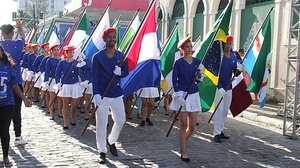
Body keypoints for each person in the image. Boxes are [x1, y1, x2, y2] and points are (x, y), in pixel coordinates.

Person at [91, 27, 128, 164]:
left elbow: (126, 71)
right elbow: (94, 76)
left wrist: (120, 73)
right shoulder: (98, 57)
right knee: (101, 124)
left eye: (114, 37)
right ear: (105, 39)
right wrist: (96, 94)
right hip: (102, 95)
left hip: (116, 93)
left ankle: (111, 140)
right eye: (109, 37)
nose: (112, 39)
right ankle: (102, 151)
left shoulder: (121, 56)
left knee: (121, 120)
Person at [169, 36, 203, 162]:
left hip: (193, 95)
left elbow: (199, 80)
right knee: (183, 125)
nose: (189, 49)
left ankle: (183, 141)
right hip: (182, 95)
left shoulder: (197, 62)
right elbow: (174, 79)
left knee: (192, 126)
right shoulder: (178, 63)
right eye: (187, 47)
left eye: (191, 47)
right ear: (182, 49)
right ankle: (184, 151)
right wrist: (178, 95)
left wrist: (199, 75)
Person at [0, 45, 32, 167]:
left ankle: (6, 157)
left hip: (7, 104)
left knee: (4, 130)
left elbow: (14, 85)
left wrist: (24, 98)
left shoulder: (9, 67)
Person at [0, 20, 28, 146]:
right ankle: (18, 136)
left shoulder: (0, 45)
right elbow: (23, 37)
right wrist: (20, 28)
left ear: (2, 33)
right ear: (12, 33)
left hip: (2, 81)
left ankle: (3, 137)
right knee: (17, 111)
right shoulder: (18, 44)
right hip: (16, 80)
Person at [213, 36, 243, 143]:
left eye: (230, 43)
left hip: (229, 87)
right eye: (226, 43)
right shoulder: (219, 58)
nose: (228, 45)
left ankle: (220, 130)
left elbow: (235, 71)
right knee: (219, 110)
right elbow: (214, 75)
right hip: (219, 88)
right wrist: (219, 87)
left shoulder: (233, 57)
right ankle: (216, 133)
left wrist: (238, 70)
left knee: (225, 110)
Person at [55, 45, 82, 129]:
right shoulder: (62, 62)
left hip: (74, 85)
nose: (72, 54)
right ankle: (65, 122)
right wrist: (58, 83)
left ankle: (72, 117)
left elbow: (82, 71)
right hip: (66, 84)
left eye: (73, 52)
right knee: (65, 104)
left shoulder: (76, 62)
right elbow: (58, 73)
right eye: (70, 52)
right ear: (66, 53)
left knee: (74, 105)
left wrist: (81, 63)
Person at [43, 43, 62, 120]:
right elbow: (47, 72)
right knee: (52, 97)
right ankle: (51, 113)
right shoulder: (49, 60)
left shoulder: (62, 60)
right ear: (52, 51)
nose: (57, 51)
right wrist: (46, 82)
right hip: (52, 80)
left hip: (60, 81)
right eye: (55, 50)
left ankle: (60, 112)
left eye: (58, 50)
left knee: (60, 98)